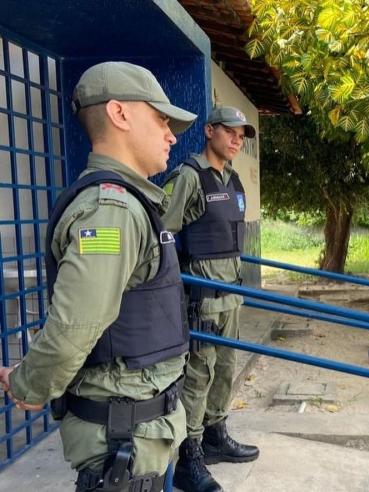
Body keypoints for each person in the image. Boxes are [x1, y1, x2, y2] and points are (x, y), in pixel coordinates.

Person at [0, 61, 197, 491]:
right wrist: (30, 384)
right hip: (121, 448)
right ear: (119, 114)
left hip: (138, 437)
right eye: (161, 118)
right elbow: (76, 324)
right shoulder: (112, 210)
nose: (171, 134)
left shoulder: (127, 203)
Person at [161, 106, 257, 492]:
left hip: (231, 297)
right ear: (209, 131)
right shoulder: (189, 177)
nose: (237, 139)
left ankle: (216, 434)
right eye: (230, 132)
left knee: (225, 369)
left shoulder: (233, 179)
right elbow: (162, 234)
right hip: (202, 299)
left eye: (241, 135)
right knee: (198, 376)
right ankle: (190, 455)